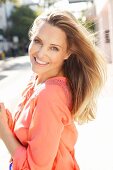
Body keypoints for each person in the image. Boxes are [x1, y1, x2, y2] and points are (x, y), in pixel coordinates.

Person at [0, 10, 106, 170]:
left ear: (67, 52)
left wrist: (3, 132)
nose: (41, 53)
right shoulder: (37, 80)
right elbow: (27, 139)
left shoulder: (50, 95)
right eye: (38, 41)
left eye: (54, 48)